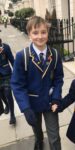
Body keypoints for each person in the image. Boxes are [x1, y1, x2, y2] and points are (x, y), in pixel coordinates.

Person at [11, 16, 64, 150]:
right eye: (35, 33)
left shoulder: (55, 54)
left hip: (50, 102)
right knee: (37, 130)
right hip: (32, 103)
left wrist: (57, 98)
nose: (39, 36)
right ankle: (39, 142)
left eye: (43, 32)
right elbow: (17, 84)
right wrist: (25, 108)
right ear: (29, 35)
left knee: (54, 135)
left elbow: (58, 79)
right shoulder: (22, 56)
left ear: (47, 33)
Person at [0, 38, 16, 124]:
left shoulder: (5, 47)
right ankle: (7, 105)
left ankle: (12, 115)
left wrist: (16, 74)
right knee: (1, 95)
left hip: (6, 74)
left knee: (8, 93)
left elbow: (12, 61)